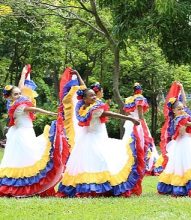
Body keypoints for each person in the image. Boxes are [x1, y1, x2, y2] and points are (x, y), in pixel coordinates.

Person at [57, 68, 144, 197]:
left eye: (94, 94)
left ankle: (96, 186)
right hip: (92, 138)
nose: (94, 96)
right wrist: (129, 118)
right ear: (85, 99)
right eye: (91, 95)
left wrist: (78, 75)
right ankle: (94, 187)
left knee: (95, 160)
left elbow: (84, 88)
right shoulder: (91, 108)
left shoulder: (84, 107)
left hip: (92, 137)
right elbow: (110, 113)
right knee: (97, 160)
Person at [0, 65, 63, 197]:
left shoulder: (11, 103)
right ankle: (25, 185)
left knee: (19, 158)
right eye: (16, 94)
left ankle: (21, 184)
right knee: (29, 156)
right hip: (23, 133)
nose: (19, 95)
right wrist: (51, 113)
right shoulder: (20, 105)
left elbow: (20, 87)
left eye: (19, 93)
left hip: (18, 132)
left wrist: (23, 74)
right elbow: (36, 110)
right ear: (10, 96)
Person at [123, 83, 160, 175]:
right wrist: (142, 124)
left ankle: (129, 162)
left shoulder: (128, 99)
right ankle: (143, 163)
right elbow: (140, 115)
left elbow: (127, 114)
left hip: (130, 122)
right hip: (138, 122)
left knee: (128, 142)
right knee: (142, 141)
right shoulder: (140, 98)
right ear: (141, 90)